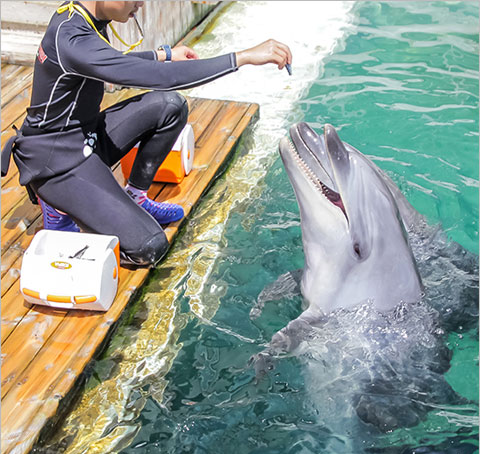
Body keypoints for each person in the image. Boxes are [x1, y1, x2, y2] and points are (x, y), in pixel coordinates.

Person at [1, 1, 292, 266]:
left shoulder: (81, 15)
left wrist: (162, 54)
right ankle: (58, 205)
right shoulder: (72, 38)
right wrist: (242, 57)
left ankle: (136, 196)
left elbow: (109, 61)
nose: (141, 4)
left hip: (86, 138)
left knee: (170, 106)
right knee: (149, 246)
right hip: (56, 161)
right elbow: (159, 78)